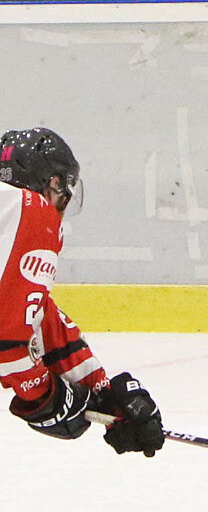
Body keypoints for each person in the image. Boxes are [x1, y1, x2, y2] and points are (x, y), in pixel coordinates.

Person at [1, 127, 164, 456]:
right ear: (53, 182)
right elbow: (8, 343)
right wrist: (45, 398)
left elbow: (35, 315)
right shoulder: (29, 210)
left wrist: (101, 390)